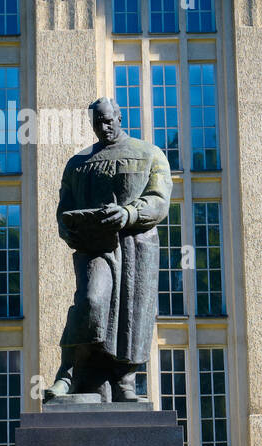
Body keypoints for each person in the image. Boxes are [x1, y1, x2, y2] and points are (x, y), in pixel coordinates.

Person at [45, 97, 172, 402]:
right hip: (95, 248)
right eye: (97, 122)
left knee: (132, 315)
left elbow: (159, 200)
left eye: (108, 120)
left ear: (119, 116)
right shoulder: (78, 164)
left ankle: (123, 380)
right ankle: (69, 372)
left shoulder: (149, 154)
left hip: (134, 249)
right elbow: (65, 209)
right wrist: (72, 227)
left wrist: (129, 213)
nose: (103, 127)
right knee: (91, 300)